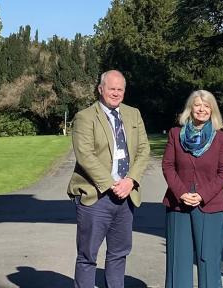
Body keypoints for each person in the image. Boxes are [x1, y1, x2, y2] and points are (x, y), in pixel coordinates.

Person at [67, 70, 150, 288]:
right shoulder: (85, 117)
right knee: (87, 256)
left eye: (120, 89)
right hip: (97, 196)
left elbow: (143, 149)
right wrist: (113, 184)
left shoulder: (134, 114)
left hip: (126, 195)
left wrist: (130, 180)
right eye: (111, 88)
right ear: (100, 89)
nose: (115, 93)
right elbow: (85, 155)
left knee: (119, 253)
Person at [161, 90, 223, 288]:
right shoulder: (175, 134)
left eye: (207, 105)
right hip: (178, 205)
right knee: (178, 261)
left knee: (208, 259)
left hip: (211, 205)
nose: (202, 109)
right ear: (190, 109)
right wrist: (181, 192)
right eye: (198, 105)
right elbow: (168, 165)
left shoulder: (221, 138)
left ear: (212, 110)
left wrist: (202, 195)